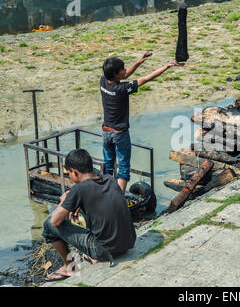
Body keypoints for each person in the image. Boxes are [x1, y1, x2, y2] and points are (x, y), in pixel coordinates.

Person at [42, 149, 136, 281]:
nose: (70, 176)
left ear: (74, 172)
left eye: (69, 173)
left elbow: (55, 221)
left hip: (105, 251)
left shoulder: (79, 189)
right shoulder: (109, 179)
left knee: (48, 225)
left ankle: (70, 267)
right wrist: (76, 203)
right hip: (128, 243)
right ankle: (92, 252)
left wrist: (64, 201)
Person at [100, 52, 183, 193]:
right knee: (123, 168)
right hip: (119, 133)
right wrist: (166, 66)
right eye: (122, 69)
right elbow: (147, 78)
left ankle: (106, 195)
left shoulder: (103, 81)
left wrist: (139, 62)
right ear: (115, 74)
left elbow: (125, 76)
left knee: (108, 165)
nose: (125, 71)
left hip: (105, 131)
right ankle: (119, 201)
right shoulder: (121, 89)